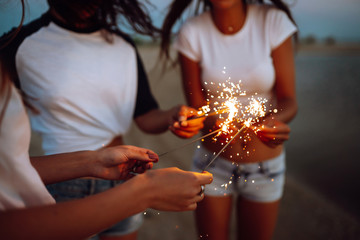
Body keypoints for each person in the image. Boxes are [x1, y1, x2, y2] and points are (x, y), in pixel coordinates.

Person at [0, 3, 213, 238]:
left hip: (125, 175)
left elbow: (146, 116)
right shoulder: (19, 44)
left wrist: (172, 116)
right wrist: (147, 191)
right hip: (61, 183)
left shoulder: (123, 44)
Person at [161, 0, 298, 239]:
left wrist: (275, 121)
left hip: (265, 168)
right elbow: (198, 107)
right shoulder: (192, 32)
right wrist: (199, 122)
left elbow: (289, 100)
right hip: (212, 164)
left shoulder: (272, 21)